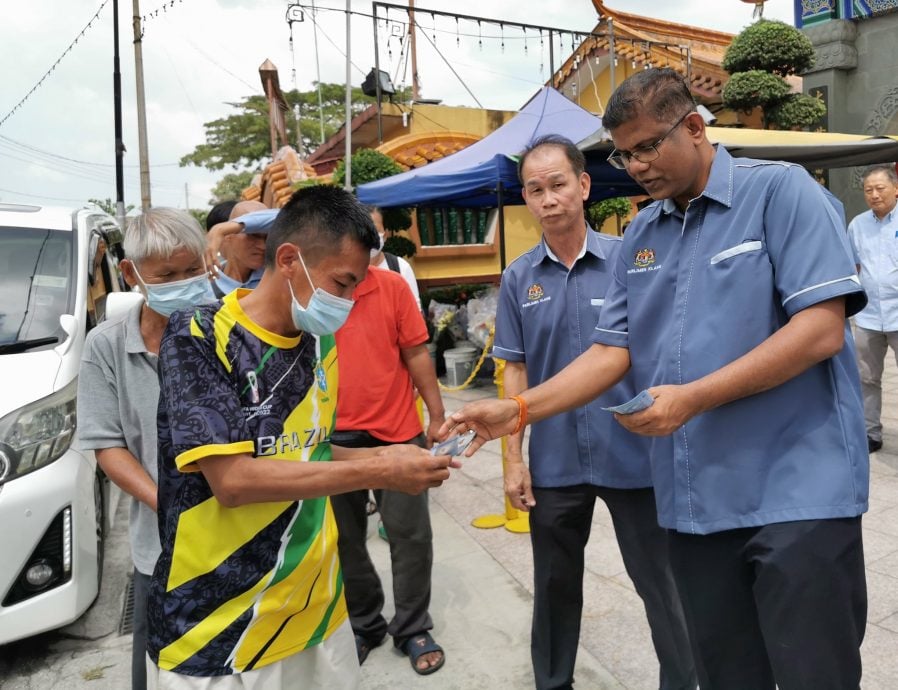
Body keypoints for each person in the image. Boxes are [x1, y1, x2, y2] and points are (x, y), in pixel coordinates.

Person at [442, 68, 869, 689]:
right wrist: (519, 411)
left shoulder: (781, 193)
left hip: (795, 494)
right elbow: (611, 351)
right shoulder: (642, 233)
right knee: (725, 673)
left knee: (812, 674)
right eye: (625, 151)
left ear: (695, 127)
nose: (636, 165)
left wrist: (694, 397)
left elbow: (821, 329)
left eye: (648, 146)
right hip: (695, 504)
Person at [146, 185, 458, 689]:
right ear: (289, 258)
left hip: (316, 611)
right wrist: (380, 469)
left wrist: (391, 453)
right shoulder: (199, 335)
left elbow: (307, 449)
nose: (349, 300)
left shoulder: (319, 345)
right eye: (342, 282)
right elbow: (234, 481)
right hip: (220, 625)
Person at [495, 134, 695, 690]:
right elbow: (515, 370)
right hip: (556, 460)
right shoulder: (518, 278)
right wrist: (513, 460)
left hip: (633, 452)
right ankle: (553, 683)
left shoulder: (629, 261)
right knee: (554, 586)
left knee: (664, 585)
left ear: (583, 186)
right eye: (535, 190)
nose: (548, 199)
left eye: (558, 184)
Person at [77, 208, 213, 690]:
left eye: (192, 270)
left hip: (242, 538)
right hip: (161, 544)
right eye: (168, 276)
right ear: (132, 274)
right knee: (158, 666)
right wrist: (169, 504)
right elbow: (106, 444)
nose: (185, 283)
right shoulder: (107, 347)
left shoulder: (234, 331)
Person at [328, 233, 446, 676]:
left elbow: (416, 352)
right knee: (344, 540)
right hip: (333, 441)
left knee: (411, 536)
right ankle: (365, 622)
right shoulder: (311, 294)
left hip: (398, 434)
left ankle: (413, 626)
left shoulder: (391, 287)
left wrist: (435, 416)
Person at [848, 164, 898, 453]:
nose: (874, 195)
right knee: (866, 377)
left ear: (895, 189)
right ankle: (871, 433)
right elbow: (853, 266)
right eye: (869, 190)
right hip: (868, 317)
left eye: (880, 188)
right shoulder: (857, 225)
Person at [209, 200, 269, 296]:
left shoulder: (277, 279)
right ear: (228, 234)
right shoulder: (206, 290)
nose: (263, 246)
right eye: (253, 235)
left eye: (267, 237)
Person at [368, 206, 421, 308]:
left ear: (385, 234)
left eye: (373, 230)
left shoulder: (400, 267)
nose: (367, 236)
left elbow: (414, 312)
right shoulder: (344, 272)